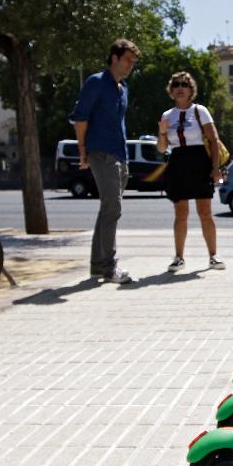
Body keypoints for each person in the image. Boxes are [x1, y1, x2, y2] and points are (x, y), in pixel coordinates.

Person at [70, 38, 139, 284]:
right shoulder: (97, 82)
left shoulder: (123, 88)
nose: (131, 64)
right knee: (113, 209)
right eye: (128, 60)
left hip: (120, 153)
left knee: (107, 209)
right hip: (101, 152)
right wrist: (82, 150)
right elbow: (80, 117)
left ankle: (97, 267)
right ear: (114, 58)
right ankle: (110, 268)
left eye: (133, 61)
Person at [156, 71, 225, 272]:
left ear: (190, 89)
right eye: (176, 84)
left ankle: (213, 256)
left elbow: (214, 140)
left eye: (184, 84)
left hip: (199, 162)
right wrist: (161, 132)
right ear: (171, 89)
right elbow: (161, 148)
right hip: (177, 162)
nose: (179, 88)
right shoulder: (167, 116)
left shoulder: (200, 111)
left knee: (205, 212)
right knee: (181, 214)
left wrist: (215, 168)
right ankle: (179, 258)